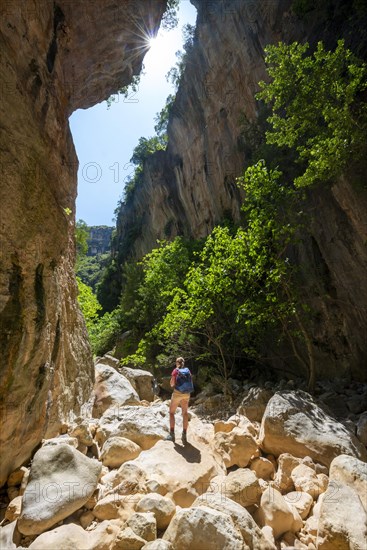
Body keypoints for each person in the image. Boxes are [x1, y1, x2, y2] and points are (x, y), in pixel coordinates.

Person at [166, 357, 194, 444]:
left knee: (171, 413)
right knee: (185, 413)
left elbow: (172, 384)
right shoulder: (187, 370)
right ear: (183, 363)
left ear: (177, 363)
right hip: (186, 394)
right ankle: (184, 435)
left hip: (177, 393)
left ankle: (172, 435)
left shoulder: (175, 371)